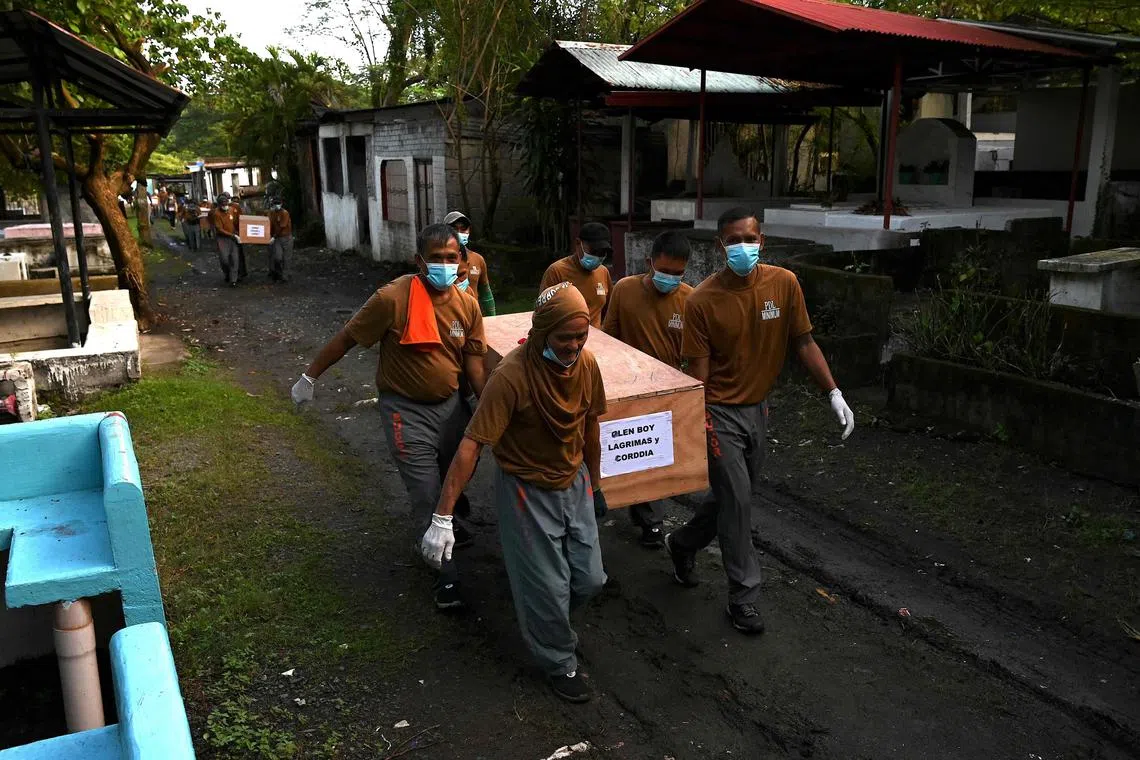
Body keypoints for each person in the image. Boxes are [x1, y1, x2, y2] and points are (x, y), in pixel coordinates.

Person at [664, 207, 855, 635]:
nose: (742, 247)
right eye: (733, 241)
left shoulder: (783, 284)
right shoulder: (702, 301)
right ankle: (743, 597)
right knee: (739, 502)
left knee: (732, 498)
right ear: (720, 246)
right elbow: (699, 371)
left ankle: (682, 543)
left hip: (758, 409)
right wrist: (697, 422)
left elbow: (804, 342)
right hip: (719, 413)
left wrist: (834, 392)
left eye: (749, 239)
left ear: (762, 241)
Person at [424, 281, 608, 703]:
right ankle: (559, 660)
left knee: (590, 578)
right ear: (542, 333)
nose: (574, 345)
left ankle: (549, 620)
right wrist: (443, 515)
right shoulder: (511, 377)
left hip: (573, 480)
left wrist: (596, 484)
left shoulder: (588, 365)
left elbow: (591, 425)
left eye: (581, 336)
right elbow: (472, 445)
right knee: (549, 585)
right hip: (526, 488)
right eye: (565, 337)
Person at [291, 223, 487, 610]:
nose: (445, 265)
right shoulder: (392, 299)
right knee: (426, 492)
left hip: (451, 407)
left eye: (452, 258)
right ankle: (444, 576)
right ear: (419, 261)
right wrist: (309, 376)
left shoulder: (467, 305)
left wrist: (488, 406)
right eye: (436, 258)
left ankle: (449, 522)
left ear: (461, 260)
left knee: (454, 476)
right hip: (406, 412)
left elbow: (474, 365)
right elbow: (348, 337)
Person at [602, 230, 694, 548]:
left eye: (677, 273)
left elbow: (695, 354)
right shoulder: (624, 290)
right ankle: (626, 506)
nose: (670, 278)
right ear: (649, 262)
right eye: (664, 271)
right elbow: (607, 338)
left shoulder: (690, 300)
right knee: (627, 451)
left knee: (654, 455)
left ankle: (651, 521)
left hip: (668, 391)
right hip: (626, 387)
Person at [540, 222, 612, 328]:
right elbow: (543, 312)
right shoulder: (557, 271)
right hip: (566, 339)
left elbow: (608, 310)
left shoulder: (603, 272)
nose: (597, 257)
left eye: (602, 253)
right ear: (578, 243)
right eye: (594, 251)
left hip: (596, 340)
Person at [444, 211, 496, 316]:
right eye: (454, 229)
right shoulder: (439, 261)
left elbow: (486, 294)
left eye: (463, 229)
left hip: (473, 317)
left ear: (469, 231)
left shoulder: (478, 259)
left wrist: (493, 318)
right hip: (447, 317)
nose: (459, 232)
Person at [211, 192, 241, 286]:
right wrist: (232, 235)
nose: (225, 207)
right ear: (219, 205)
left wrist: (240, 232)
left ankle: (233, 280)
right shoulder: (216, 214)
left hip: (233, 237)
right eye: (223, 205)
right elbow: (219, 229)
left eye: (226, 204)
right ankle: (227, 274)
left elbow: (237, 221)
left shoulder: (232, 210)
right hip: (223, 239)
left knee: (235, 259)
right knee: (224, 259)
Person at [268, 197, 293, 282]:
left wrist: (273, 237)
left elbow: (282, 226)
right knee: (277, 257)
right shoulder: (272, 213)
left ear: (281, 204)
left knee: (287, 258)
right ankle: (278, 273)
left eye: (278, 203)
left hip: (286, 237)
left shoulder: (285, 213)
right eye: (275, 204)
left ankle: (285, 276)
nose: (277, 205)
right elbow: (269, 224)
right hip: (277, 238)